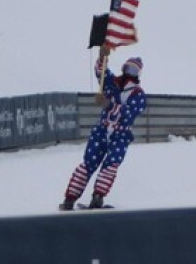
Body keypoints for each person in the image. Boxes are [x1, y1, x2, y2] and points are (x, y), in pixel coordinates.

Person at [60, 47, 146, 210]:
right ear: (124, 68)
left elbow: (129, 113)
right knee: (88, 162)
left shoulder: (138, 94)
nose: (130, 72)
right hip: (101, 130)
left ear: (138, 74)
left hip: (121, 135)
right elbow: (101, 73)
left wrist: (109, 105)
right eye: (128, 68)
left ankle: (98, 196)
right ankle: (69, 198)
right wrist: (102, 58)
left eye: (134, 70)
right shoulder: (113, 83)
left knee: (111, 164)